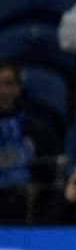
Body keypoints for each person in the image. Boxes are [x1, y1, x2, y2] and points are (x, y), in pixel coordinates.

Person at [0, 63, 34, 224]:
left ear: (18, 88)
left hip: (26, 206)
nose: (2, 91)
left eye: (7, 83)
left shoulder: (37, 128)